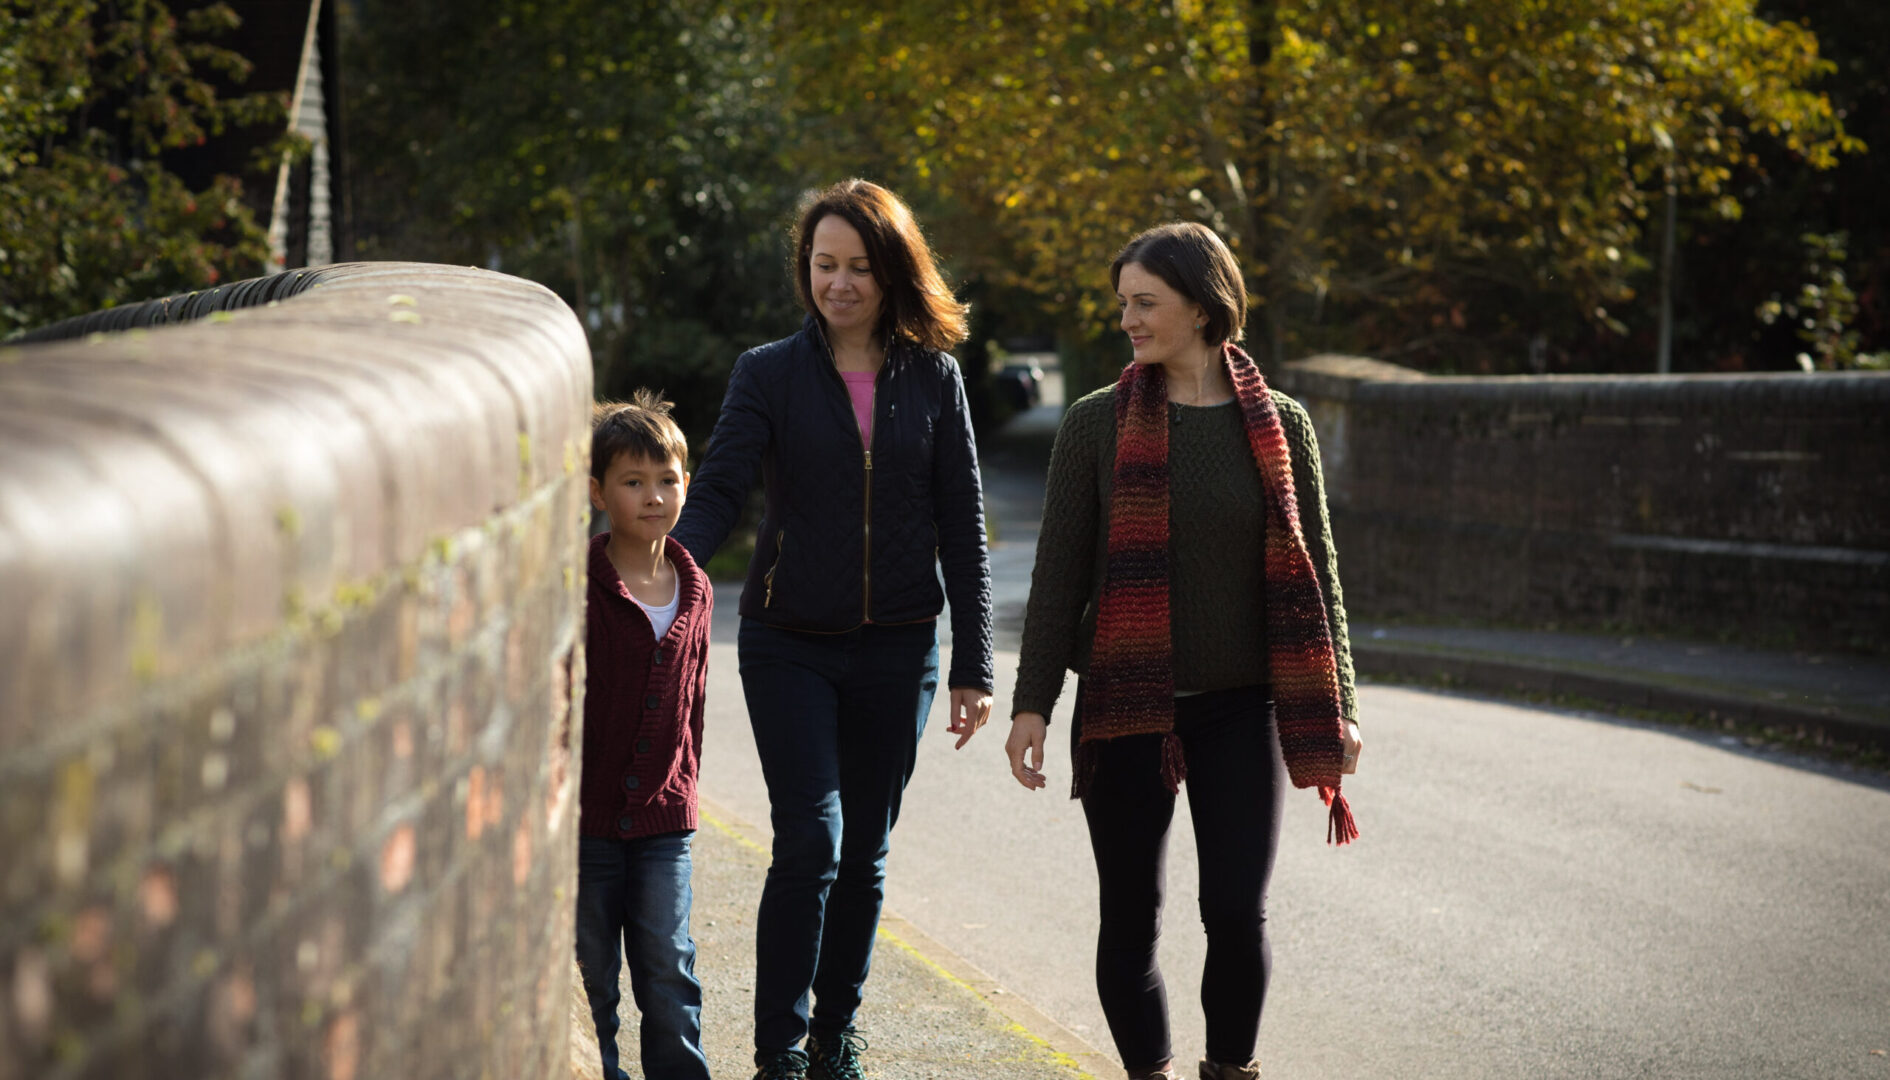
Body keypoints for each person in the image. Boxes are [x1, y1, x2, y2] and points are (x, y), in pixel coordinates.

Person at [1003, 222, 1363, 1080]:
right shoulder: (1095, 425)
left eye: (1145, 302)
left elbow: (1322, 571)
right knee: (1132, 917)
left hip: (1244, 705)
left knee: (1237, 909)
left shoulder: (1282, 426)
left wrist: (1340, 700)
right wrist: (1032, 703)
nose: (1127, 318)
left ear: (1203, 307)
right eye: (1123, 302)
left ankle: (1231, 1070)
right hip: (1127, 703)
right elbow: (1057, 577)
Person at [673, 178, 995, 1080]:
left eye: (859, 266)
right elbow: (720, 494)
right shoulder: (765, 372)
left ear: (891, 274)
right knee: (810, 838)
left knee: (864, 853)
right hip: (787, 642)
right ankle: (777, 1047)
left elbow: (962, 523)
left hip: (899, 648)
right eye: (825, 265)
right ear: (805, 270)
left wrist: (975, 664)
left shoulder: (935, 379)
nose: (840, 283)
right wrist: (660, 579)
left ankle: (833, 1037)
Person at [575, 391, 714, 1080]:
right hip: (588, 823)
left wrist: (684, 791)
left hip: (664, 824)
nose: (654, 496)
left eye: (667, 479)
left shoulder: (696, 587)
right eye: (633, 482)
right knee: (591, 976)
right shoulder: (577, 586)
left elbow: (694, 706)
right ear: (599, 492)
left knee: (668, 968)